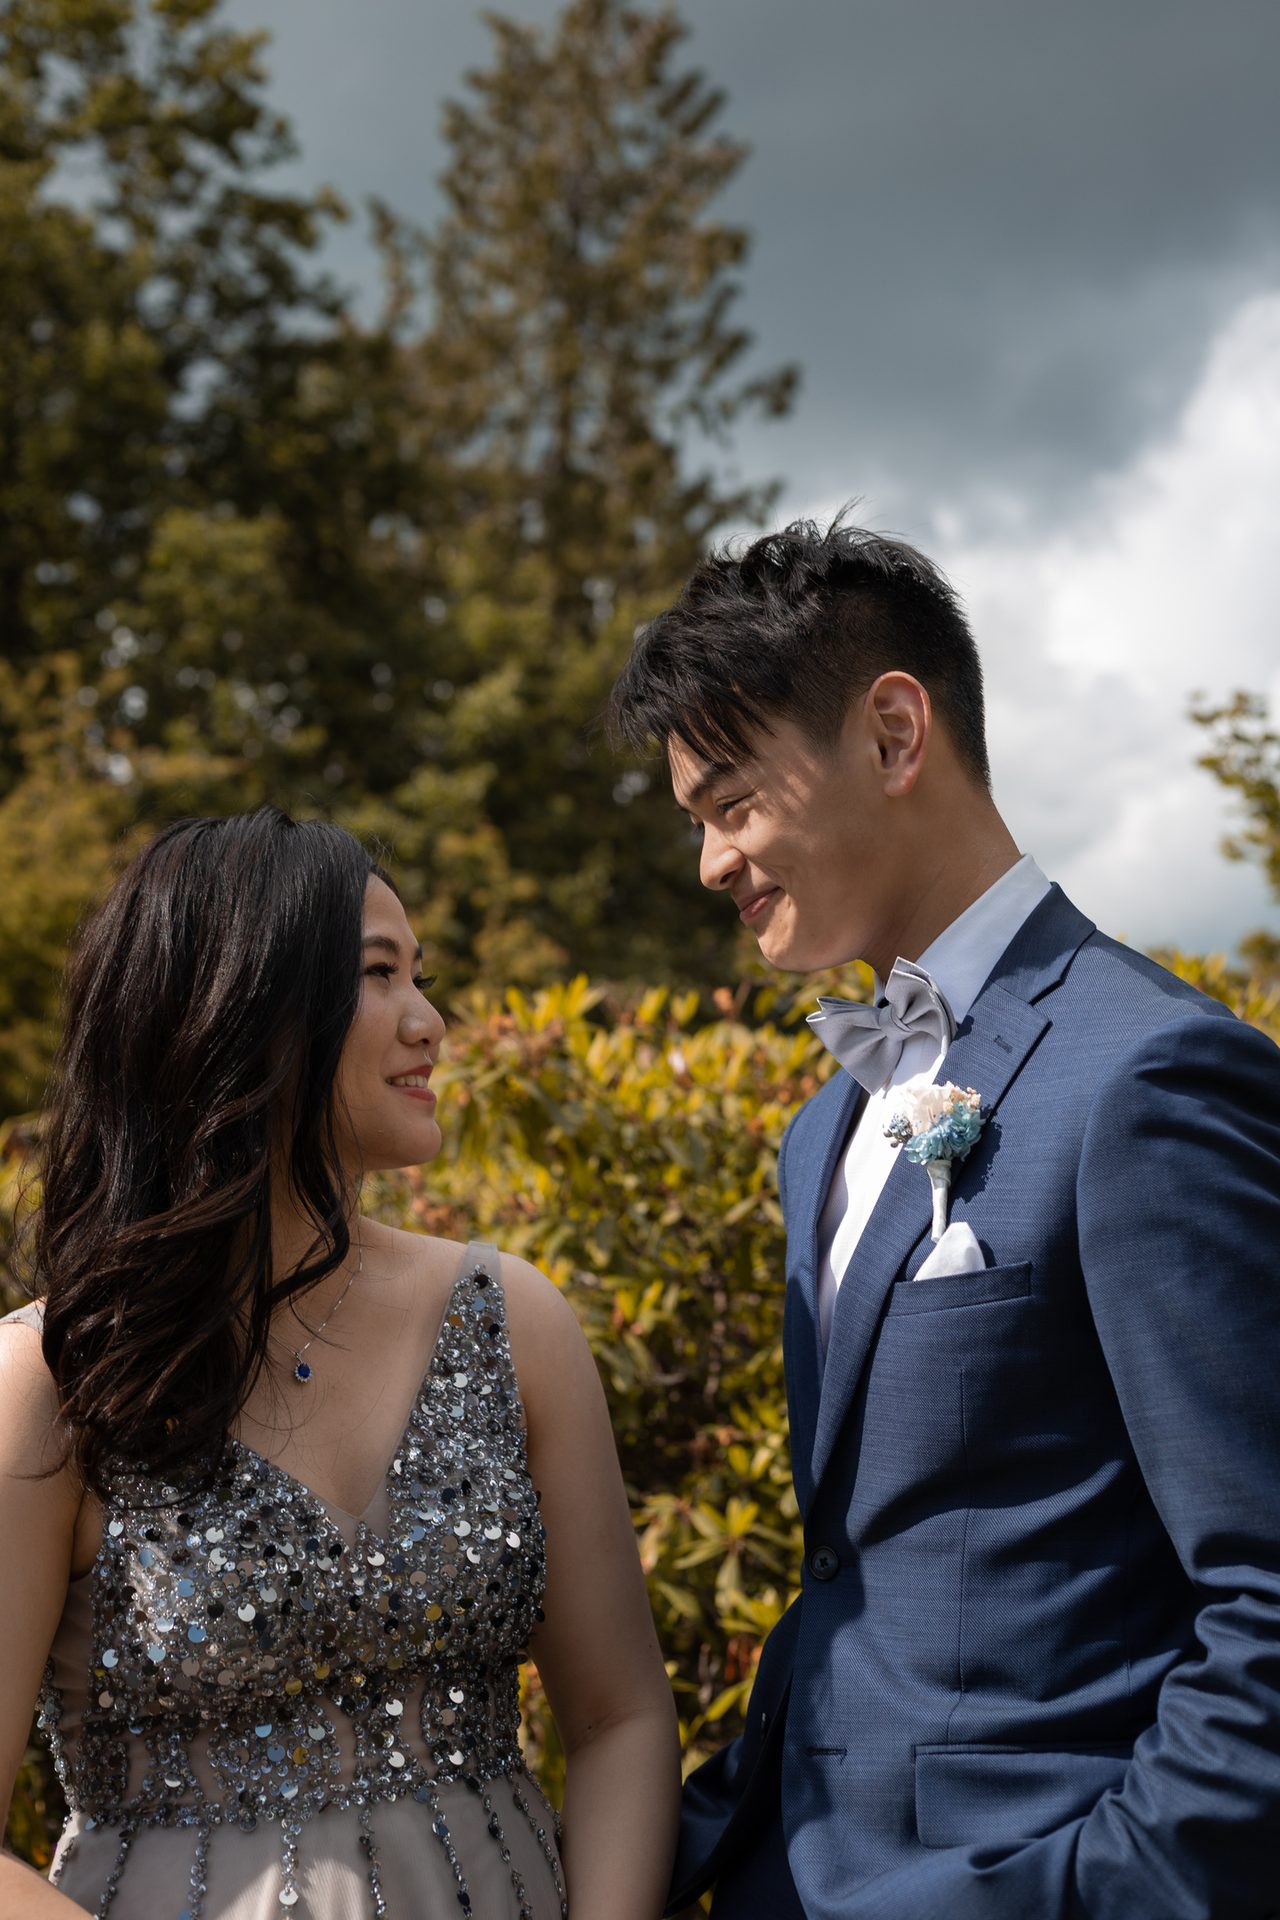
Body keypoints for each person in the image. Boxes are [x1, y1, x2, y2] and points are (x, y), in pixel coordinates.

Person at [608, 519, 1280, 1920]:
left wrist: (1093, 1892)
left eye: (730, 803)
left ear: (893, 735)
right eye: (692, 823)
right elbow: (864, 1571)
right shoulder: (820, 1130)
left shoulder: (1148, 1076)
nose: (710, 863)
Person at [0, 809, 680, 1920]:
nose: (430, 1022)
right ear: (236, 1004)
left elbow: (620, 1719)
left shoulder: (512, 1322)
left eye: (421, 976)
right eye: (378, 974)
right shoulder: (53, 1375)